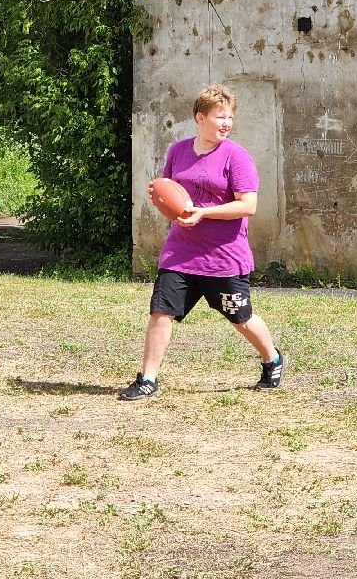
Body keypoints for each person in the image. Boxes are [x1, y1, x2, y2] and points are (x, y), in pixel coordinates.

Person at [119, 84, 285, 401]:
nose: (226, 123)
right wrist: (172, 208)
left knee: (241, 318)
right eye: (219, 117)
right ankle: (147, 380)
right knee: (161, 312)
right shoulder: (178, 151)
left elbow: (247, 205)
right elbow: (168, 191)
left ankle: (273, 358)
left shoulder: (237, 157)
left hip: (223, 258)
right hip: (180, 254)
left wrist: (203, 213)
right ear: (200, 117)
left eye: (230, 118)